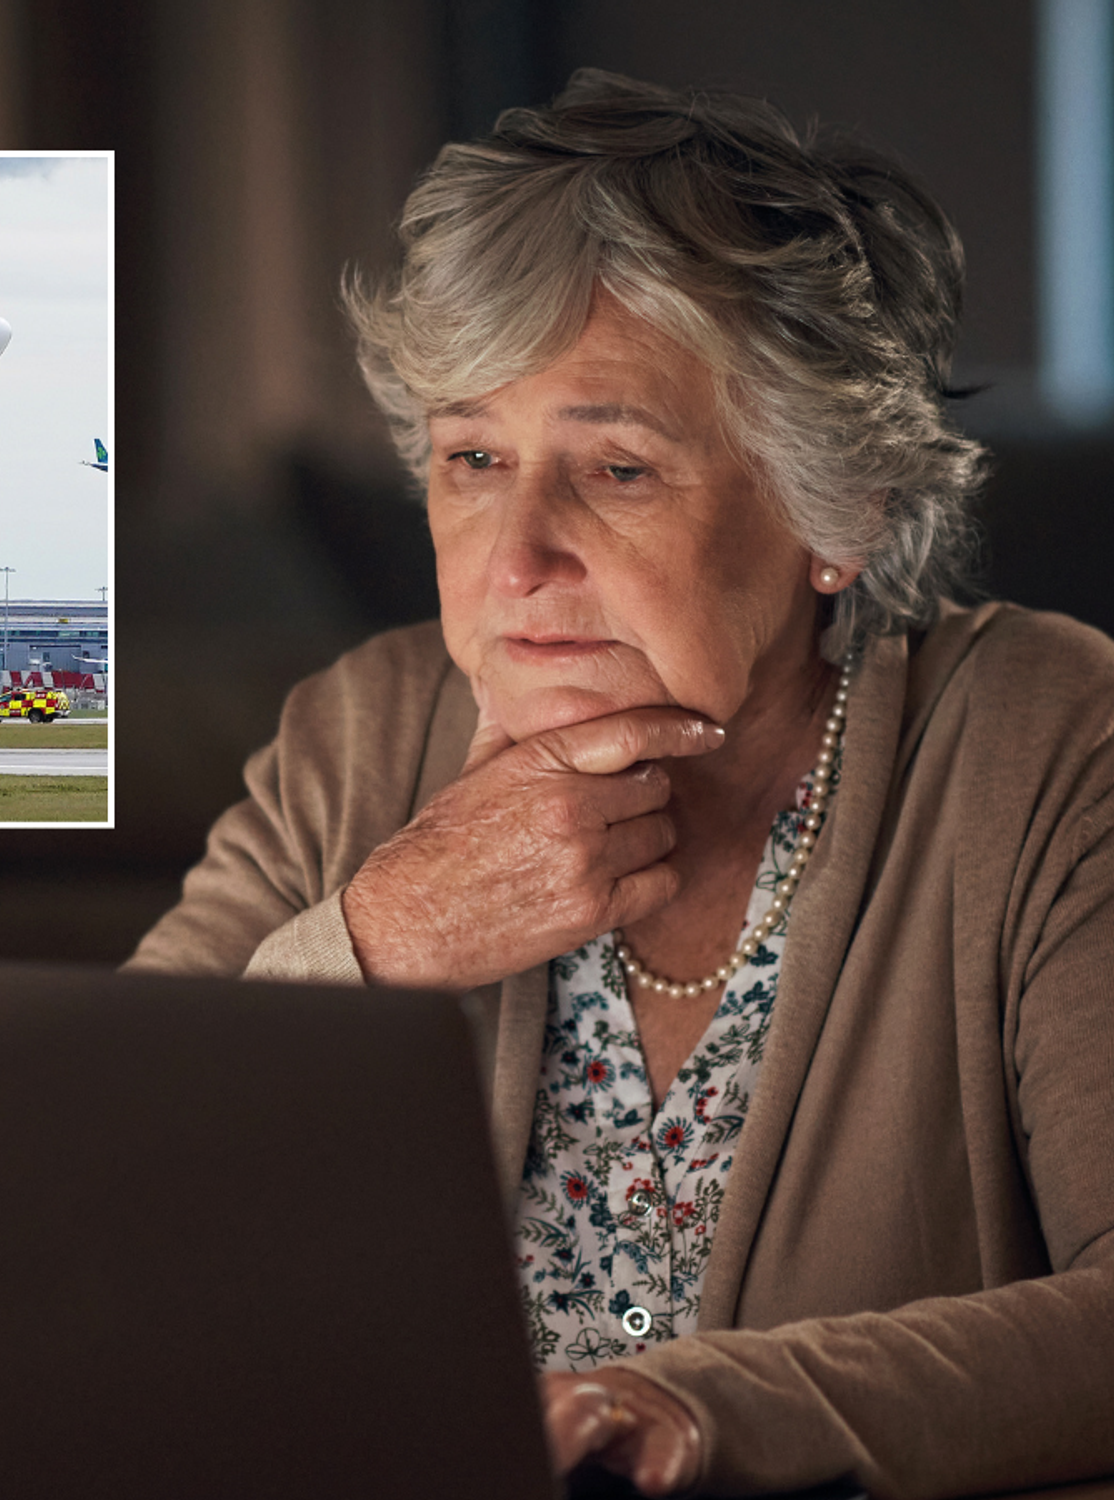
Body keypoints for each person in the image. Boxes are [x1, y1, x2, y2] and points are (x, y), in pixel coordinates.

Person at [128, 71, 1114, 1499]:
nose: (516, 556)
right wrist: (376, 942)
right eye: (474, 457)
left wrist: (705, 1412)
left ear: (838, 512)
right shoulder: (360, 734)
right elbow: (75, 1203)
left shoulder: (1045, 742)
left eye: (619, 469)